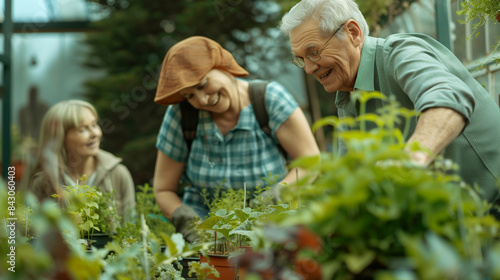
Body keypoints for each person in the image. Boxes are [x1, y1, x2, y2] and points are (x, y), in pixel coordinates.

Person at [280, 0, 500, 216]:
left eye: (313, 53)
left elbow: (447, 96)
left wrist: (413, 157)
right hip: (455, 224)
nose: (309, 69)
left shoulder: (400, 53)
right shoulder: (347, 97)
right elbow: (352, 176)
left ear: (353, 34)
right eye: (301, 59)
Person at [153, 36, 320, 242]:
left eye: (203, 84)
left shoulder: (269, 99)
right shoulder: (182, 115)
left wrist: (275, 197)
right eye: (189, 96)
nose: (202, 99)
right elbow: (163, 189)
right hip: (206, 226)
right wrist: (191, 223)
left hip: (271, 223)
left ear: (222, 66)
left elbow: (310, 163)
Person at [29, 99, 136, 219]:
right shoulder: (43, 181)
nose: (95, 133)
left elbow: (130, 228)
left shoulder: (118, 174)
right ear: (59, 138)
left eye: (94, 125)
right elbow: (32, 232)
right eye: (82, 129)